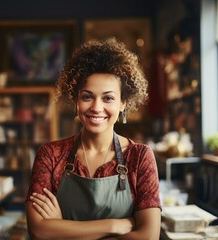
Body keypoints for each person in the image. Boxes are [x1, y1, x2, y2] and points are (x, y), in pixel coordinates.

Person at [25, 37, 161, 240]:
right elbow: (38, 231)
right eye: (87, 96)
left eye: (108, 98)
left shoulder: (139, 157)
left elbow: (148, 236)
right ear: (76, 100)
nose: (97, 107)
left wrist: (62, 229)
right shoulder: (51, 155)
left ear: (123, 103)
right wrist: (115, 225)